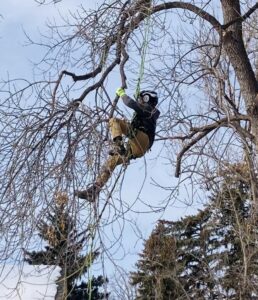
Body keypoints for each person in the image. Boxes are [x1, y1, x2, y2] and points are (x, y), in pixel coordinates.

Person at [76, 87, 160, 202]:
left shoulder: (150, 110)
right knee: (111, 161)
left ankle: (118, 145)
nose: (140, 101)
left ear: (147, 98)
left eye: (141, 99)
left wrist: (121, 94)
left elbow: (130, 103)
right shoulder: (144, 112)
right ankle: (94, 190)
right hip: (137, 147)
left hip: (142, 139)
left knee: (114, 121)